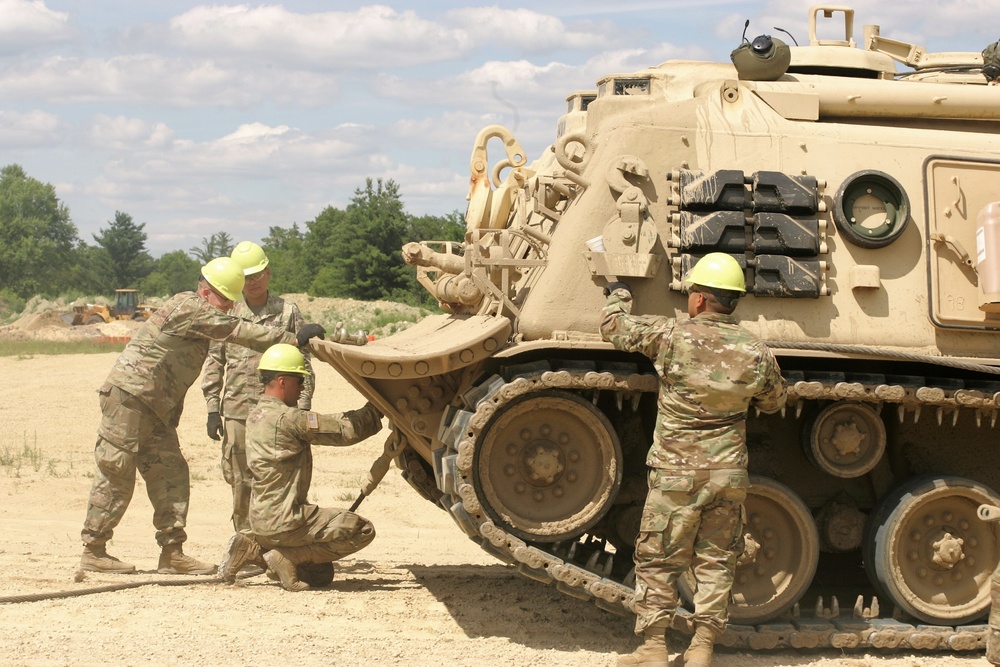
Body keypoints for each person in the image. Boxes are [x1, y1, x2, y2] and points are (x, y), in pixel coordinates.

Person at [79, 257, 326, 575]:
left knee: (172, 475)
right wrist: (292, 339)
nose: (227, 307)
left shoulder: (203, 312)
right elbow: (237, 330)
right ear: (207, 290)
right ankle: (94, 549)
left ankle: (172, 553)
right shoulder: (189, 305)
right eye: (225, 299)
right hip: (130, 399)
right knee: (117, 471)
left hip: (156, 409)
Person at [599, 252, 787, 667]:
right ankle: (702, 648)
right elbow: (774, 401)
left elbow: (614, 327)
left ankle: (652, 649)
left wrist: (617, 295)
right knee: (717, 559)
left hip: (676, 472)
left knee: (659, 557)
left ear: (700, 299)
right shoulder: (755, 351)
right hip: (727, 474)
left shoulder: (670, 335)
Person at [218, 343, 383, 591]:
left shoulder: (256, 415)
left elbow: (327, 421)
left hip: (261, 520)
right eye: (299, 380)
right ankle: (288, 557)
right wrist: (379, 404)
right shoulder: (289, 419)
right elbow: (345, 431)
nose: (303, 387)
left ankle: (253, 548)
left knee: (320, 574)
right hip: (286, 521)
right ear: (283, 381)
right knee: (362, 530)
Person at [202, 241, 315, 533]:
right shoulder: (227, 309)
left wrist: (301, 409)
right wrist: (213, 408)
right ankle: (247, 541)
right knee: (241, 480)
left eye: (256, 275)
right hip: (238, 411)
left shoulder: (288, 312)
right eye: (245, 276)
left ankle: (281, 538)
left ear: (267, 272)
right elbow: (215, 360)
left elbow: (304, 365)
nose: (251, 282)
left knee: (282, 476)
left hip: (280, 414)